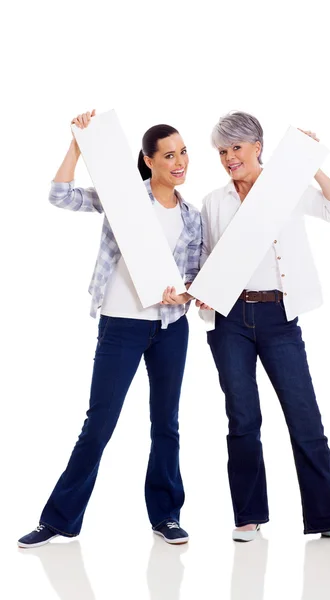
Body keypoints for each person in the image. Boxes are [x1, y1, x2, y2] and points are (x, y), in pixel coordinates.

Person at [18, 110, 201, 548]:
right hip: (122, 325)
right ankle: (58, 519)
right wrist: (79, 146)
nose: (180, 162)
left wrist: (186, 294)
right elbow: (61, 195)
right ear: (149, 160)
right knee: (99, 423)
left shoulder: (193, 216)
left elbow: (196, 275)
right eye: (170, 155)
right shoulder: (124, 197)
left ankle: (166, 516)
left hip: (170, 327)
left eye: (184, 153)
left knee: (166, 423)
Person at [196, 111, 330, 545]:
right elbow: (202, 257)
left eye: (236, 148)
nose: (229, 158)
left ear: (258, 146)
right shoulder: (214, 201)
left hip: (280, 318)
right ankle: (248, 516)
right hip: (229, 320)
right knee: (242, 419)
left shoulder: (287, 189)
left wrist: (309, 161)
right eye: (222, 151)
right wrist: (198, 288)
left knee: (305, 418)